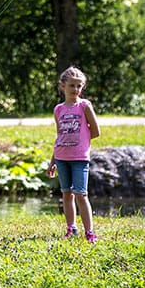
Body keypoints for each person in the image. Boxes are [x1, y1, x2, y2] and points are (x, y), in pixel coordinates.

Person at [46, 66, 100, 243]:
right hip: (62, 157)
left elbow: (96, 131)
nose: (75, 90)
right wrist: (52, 161)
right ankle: (71, 228)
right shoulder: (58, 109)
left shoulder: (84, 106)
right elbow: (59, 135)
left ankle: (89, 232)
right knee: (66, 193)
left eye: (79, 86)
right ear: (63, 86)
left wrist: (81, 142)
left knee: (81, 194)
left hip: (79, 158)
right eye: (72, 86)